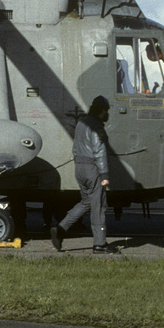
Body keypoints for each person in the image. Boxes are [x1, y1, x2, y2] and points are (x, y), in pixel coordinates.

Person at [50, 96, 113, 254]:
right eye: (107, 110)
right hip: (93, 169)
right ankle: (100, 244)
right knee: (98, 206)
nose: (108, 114)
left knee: (86, 203)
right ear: (102, 110)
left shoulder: (81, 123)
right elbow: (99, 150)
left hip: (80, 168)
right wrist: (104, 174)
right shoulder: (96, 127)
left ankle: (60, 229)